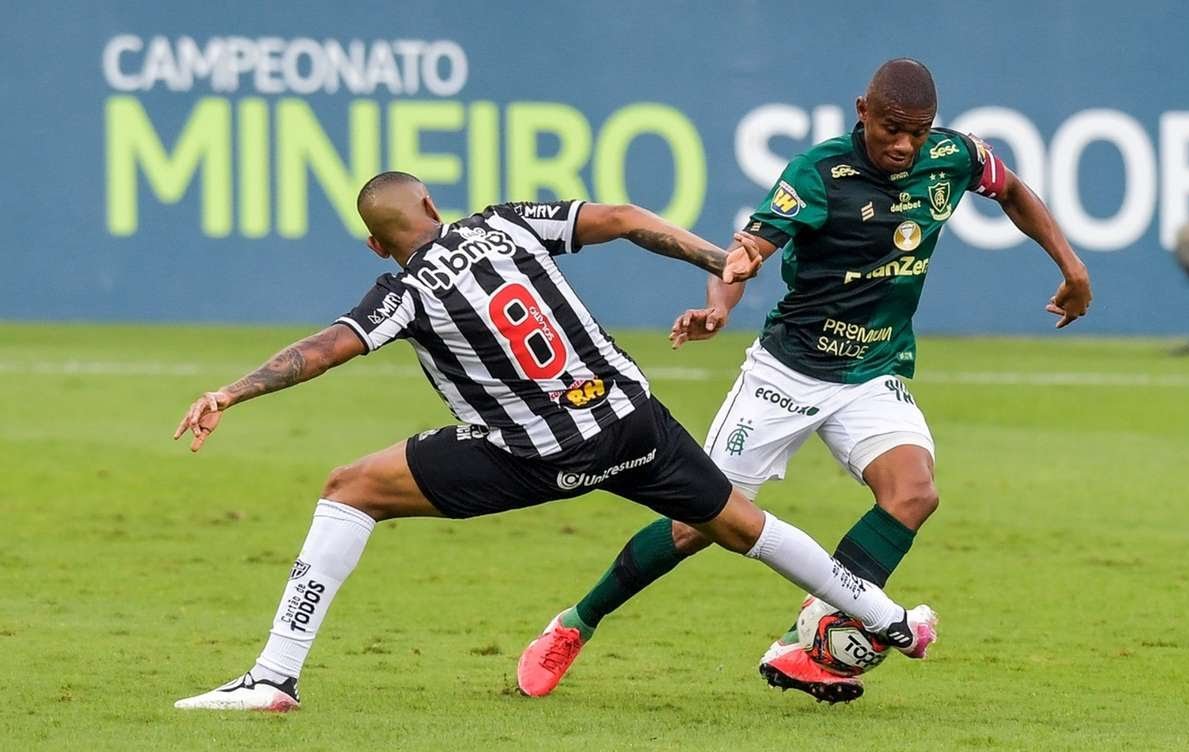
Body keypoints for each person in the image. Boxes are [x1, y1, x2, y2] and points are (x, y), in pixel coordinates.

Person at [172, 171, 939, 711]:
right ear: (435, 205)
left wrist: (233, 391)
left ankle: (275, 676)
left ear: (377, 246)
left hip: (526, 459)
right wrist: (720, 260)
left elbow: (325, 349)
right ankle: (891, 620)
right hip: (633, 428)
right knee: (745, 527)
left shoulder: (403, 290)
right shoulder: (504, 222)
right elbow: (629, 219)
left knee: (349, 489)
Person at [517, 58, 1093, 703]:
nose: (904, 145)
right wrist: (721, 306)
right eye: (892, 129)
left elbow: (1011, 189)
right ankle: (576, 623)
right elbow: (748, 251)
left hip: (873, 372)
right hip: (786, 375)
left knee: (913, 494)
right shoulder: (817, 174)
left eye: (918, 132)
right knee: (696, 522)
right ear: (862, 112)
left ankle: (808, 642)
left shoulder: (953, 156)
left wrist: (1071, 267)